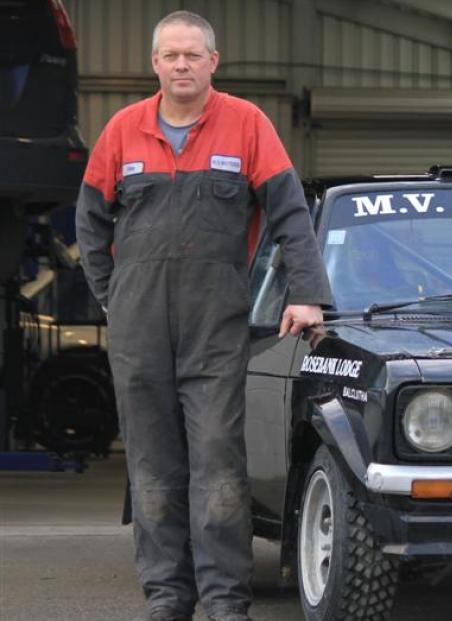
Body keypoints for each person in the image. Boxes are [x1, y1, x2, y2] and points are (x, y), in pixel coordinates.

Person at [75, 11, 331, 621]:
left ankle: (223, 602)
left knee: (218, 464)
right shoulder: (122, 130)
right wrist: (112, 295)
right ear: (155, 63)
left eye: (193, 55)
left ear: (214, 62)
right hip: (138, 328)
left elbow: (290, 214)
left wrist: (306, 293)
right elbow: (90, 221)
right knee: (152, 466)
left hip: (215, 326)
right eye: (170, 56)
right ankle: (167, 598)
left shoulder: (247, 124)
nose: (181, 65)